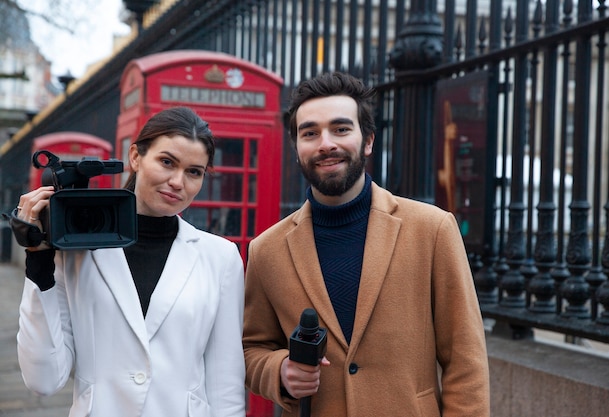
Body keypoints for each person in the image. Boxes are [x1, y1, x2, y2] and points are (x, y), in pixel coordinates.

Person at [242, 72, 490, 416]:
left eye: (341, 129)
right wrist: (280, 371)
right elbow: (253, 348)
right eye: (310, 133)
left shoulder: (432, 229)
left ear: (368, 140)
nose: (325, 143)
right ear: (297, 148)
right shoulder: (266, 249)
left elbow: (465, 359)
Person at [11, 107, 246, 417]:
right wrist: (38, 262)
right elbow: (43, 379)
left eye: (194, 171)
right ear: (135, 157)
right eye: (167, 162)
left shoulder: (221, 257)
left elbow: (225, 383)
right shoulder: (77, 251)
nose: (178, 181)